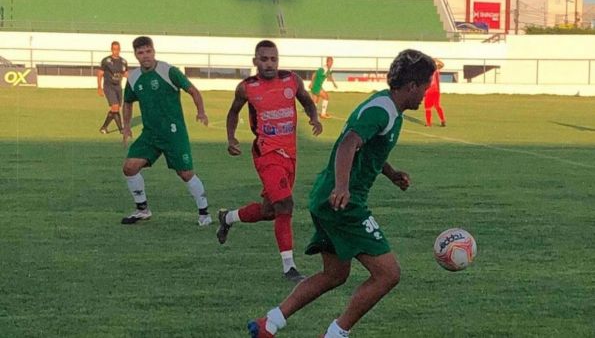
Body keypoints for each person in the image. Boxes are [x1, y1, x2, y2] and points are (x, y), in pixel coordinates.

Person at [247, 49, 436, 338]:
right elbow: (349, 143)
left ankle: (269, 323)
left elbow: (366, 148)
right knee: (388, 274)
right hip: (342, 202)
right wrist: (343, 186)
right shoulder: (381, 110)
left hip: (327, 197)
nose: (426, 94)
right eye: (425, 87)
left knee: (334, 274)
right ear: (412, 86)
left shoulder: (386, 105)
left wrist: (391, 173)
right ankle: (336, 334)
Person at [217, 40, 323, 282]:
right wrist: (231, 138)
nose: (269, 64)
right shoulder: (247, 87)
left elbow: (306, 100)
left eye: (273, 59)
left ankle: (228, 217)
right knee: (285, 205)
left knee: (270, 211)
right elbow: (233, 112)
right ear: (255, 62)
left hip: (290, 154)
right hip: (267, 154)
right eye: (264, 59)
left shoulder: (291, 80)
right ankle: (289, 267)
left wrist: (314, 117)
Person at [120, 36, 212, 226]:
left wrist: (201, 112)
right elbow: (127, 102)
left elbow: (193, 91)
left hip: (173, 133)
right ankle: (142, 210)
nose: (145, 56)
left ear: (153, 51)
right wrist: (127, 125)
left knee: (185, 174)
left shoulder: (168, 71)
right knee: (129, 168)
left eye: (148, 51)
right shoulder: (134, 77)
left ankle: (204, 213)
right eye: (140, 52)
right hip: (150, 134)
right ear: (135, 55)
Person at [97, 41, 128, 134]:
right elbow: (100, 74)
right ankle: (121, 129)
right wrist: (99, 87)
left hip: (118, 87)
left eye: (117, 49)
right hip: (109, 86)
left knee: (116, 108)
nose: (116, 51)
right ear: (111, 50)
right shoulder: (106, 61)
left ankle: (104, 128)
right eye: (114, 49)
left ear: (120, 49)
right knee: (115, 107)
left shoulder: (123, 61)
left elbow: (125, 73)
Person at [424, 58, 446, 127]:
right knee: (431, 107)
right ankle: (431, 122)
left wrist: (436, 59)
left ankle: (430, 123)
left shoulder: (433, 70)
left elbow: (442, 64)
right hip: (431, 91)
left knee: (432, 107)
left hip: (433, 91)